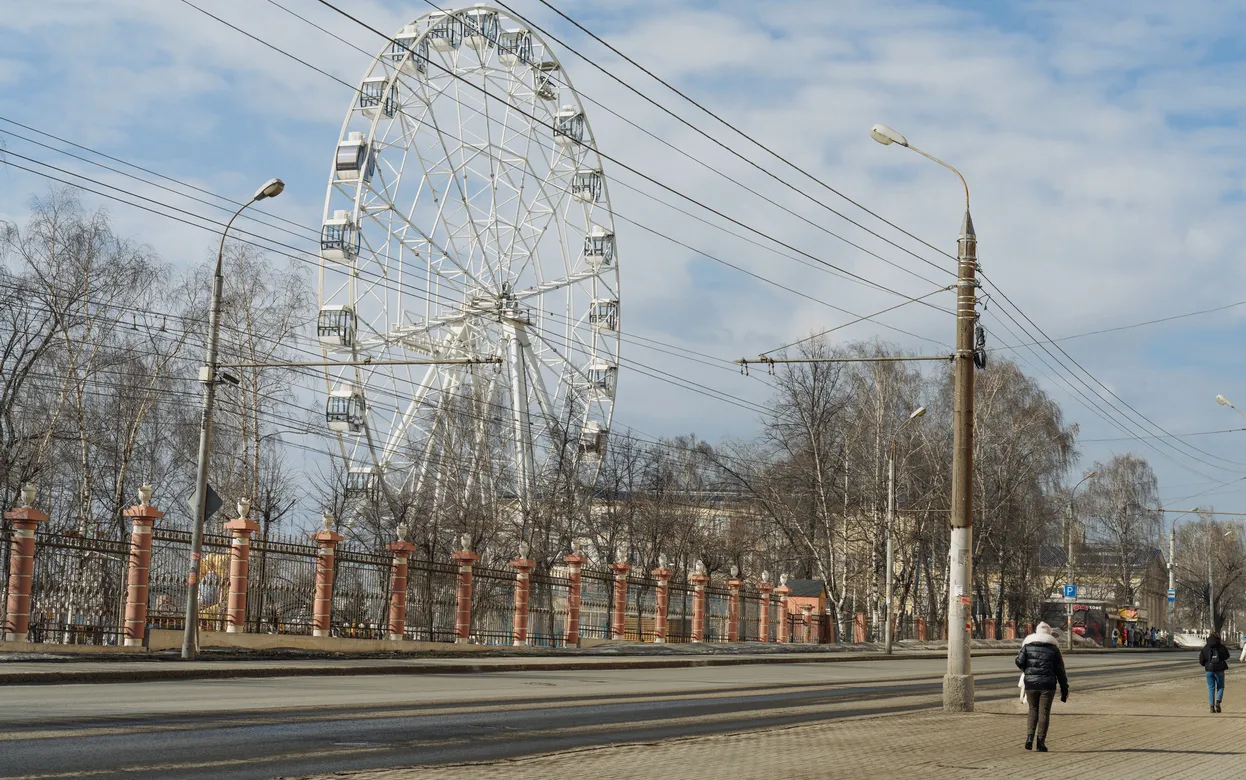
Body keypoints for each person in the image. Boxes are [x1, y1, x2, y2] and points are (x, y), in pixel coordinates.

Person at [1015, 622, 1070, 752]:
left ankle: (1029, 739)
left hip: (1030, 684)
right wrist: (1064, 689)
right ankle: (1040, 743)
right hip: (1048, 685)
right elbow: (1060, 671)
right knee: (1044, 712)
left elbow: (1018, 661)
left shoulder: (1027, 646)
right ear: (1049, 634)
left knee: (1033, 710)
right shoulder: (1054, 649)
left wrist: (1028, 671)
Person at [1200, 632, 1230, 713]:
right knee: (1220, 686)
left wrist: (1206, 665)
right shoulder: (1221, 647)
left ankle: (1211, 707)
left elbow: (1201, 660)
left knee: (1211, 688)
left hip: (1209, 670)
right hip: (1219, 669)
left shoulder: (1206, 647)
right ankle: (1218, 701)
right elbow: (1227, 656)